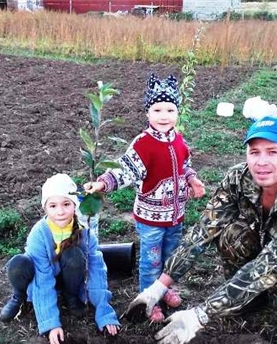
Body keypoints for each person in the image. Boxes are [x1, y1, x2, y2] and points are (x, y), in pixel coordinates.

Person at [125, 116, 277, 344]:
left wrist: (198, 316)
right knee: (231, 235)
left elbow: (271, 264)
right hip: (273, 243)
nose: (261, 162)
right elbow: (204, 229)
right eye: (254, 152)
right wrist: (158, 287)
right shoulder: (238, 178)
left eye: (273, 152)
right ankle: (249, 299)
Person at [83, 73, 206, 323]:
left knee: (171, 255)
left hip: (175, 216)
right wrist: (103, 183)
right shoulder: (143, 144)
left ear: (177, 112)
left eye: (170, 109)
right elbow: (125, 169)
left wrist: (192, 179)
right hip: (151, 219)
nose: (164, 115)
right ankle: (149, 297)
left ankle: (166, 288)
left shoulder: (179, 140)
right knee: (151, 259)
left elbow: (185, 164)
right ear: (147, 112)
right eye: (157, 109)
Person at [0, 173, 120, 344]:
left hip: (68, 276)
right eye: (53, 206)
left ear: (74, 205)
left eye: (66, 204)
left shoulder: (84, 233)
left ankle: (71, 297)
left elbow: (96, 271)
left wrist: (104, 311)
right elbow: (43, 278)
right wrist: (51, 323)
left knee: (75, 256)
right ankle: (19, 296)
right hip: (43, 274)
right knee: (18, 264)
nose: (60, 211)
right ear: (45, 208)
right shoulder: (38, 234)